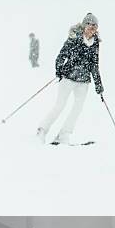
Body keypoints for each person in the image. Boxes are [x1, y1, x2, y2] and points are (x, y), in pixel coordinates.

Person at [36, 13, 104, 145]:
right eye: (90, 26)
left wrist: (98, 85)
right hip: (68, 77)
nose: (92, 30)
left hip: (83, 81)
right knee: (60, 105)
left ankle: (64, 135)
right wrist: (59, 70)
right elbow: (61, 55)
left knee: (77, 108)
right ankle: (42, 130)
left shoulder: (95, 43)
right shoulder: (74, 38)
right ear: (85, 26)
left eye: (95, 27)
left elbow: (95, 65)